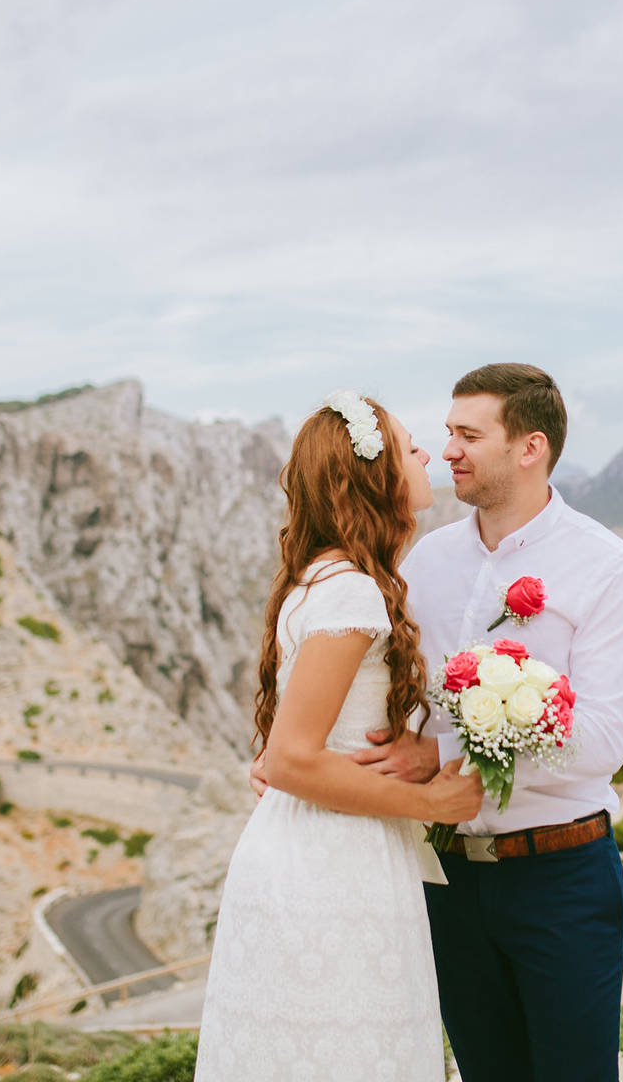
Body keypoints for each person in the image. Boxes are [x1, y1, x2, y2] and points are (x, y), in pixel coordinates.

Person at [353, 363, 623, 1082]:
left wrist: (454, 741)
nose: (447, 449)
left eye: (468, 434)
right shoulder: (428, 561)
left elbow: (604, 744)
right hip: (450, 879)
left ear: (530, 447)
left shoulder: (606, 567)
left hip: (560, 876)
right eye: (447, 433)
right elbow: (409, 700)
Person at [195, 391, 484, 1082]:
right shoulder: (351, 590)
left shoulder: (323, 577)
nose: (428, 455)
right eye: (411, 446)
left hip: (319, 846)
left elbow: (281, 751)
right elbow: (291, 758)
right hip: (336, 861)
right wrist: (434, 805)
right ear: (374, 475)